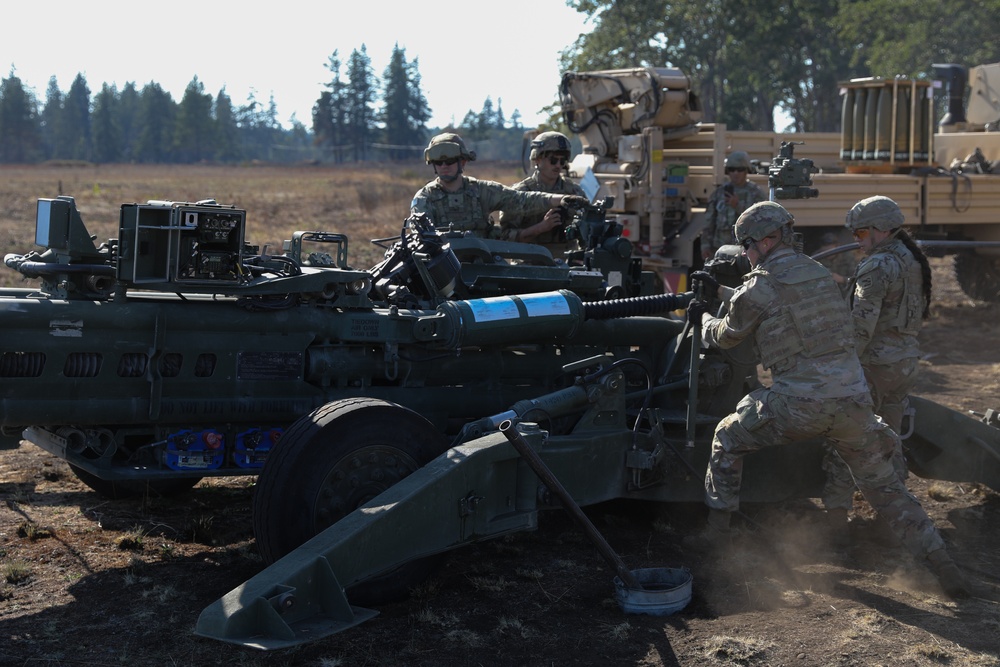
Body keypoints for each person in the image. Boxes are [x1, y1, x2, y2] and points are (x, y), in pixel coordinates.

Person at [685, 201, 967, 598]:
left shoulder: (760, 283)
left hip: (797, 407)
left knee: (726, 438)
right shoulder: (818, 273)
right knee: (886, 489)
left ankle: (717, 535)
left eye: (747, 245)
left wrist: (702, 318)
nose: (746, 253)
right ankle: (944, 565)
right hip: (854, 404)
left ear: (766, 240)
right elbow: (775, 302)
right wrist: (721, 290)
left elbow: (728, 334)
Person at [821, 196, 934, 529]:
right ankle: (898, 519)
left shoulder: (877, 265)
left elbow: (861, 327)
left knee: (845, 437)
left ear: (882, 230)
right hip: (904, 365)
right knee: (890, 442)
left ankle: (836, 518)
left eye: (860, 233)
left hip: (873, 367)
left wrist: (839, 367)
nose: (856, 240)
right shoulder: (911, 260)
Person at [410, 132, 586, 238]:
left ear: (462, 162)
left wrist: (560, 200)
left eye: (449, 161)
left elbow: (520, 200)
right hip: (444, 269)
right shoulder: (425, 199)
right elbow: (422, 237)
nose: (444, 166)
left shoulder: (482, 191)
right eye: (438, 163)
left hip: (484, 266)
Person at [498, 131, 588, 256]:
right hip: (529, 261)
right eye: (553, 160)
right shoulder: (520, 193)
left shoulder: (574, 192)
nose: (558, 165)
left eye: (562, 161)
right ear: (538, 159)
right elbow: (504, 236)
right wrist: (540, 228)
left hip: (567, 261)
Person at [701, 150, 765, 260]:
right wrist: (705, 245)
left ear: (746, 171)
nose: (735, 173)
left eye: (740, 169)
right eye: (732, 169)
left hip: (747, 251)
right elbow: (708, 222)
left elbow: (762, 221)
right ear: (728, 172)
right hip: (721, 249)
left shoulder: (756, 193)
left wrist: (738, 206)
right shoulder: (719, 193)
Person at [815, 231, 858, 295]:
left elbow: (856, 280)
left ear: (837, 246)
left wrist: (842, 279)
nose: (828, 253)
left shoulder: (847, 257)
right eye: (825, 250)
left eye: (830, 250)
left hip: (844, 293)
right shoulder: (817, 257)